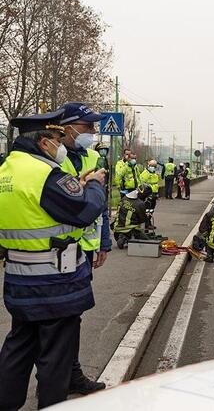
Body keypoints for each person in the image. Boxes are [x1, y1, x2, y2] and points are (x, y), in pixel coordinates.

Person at [0, 110, 106, 409]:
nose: (61, 144)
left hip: (19, 279)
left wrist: (77, 187)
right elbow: (85, 210)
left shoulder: (6, 171)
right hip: (56, 282)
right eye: (59, 138)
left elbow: (36, 210)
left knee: (18, 347)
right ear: (45, 142)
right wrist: (95, 184)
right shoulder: (46, 173)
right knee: (55, 357)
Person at [58, 102, 111, 395]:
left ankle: (68, 374)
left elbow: (99, 202)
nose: (92, 132)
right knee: (58, 317)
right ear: (67, 128)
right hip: (57, 249)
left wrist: (103, 242)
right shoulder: (53, 157)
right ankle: (56, 378)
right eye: (87, 126)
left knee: (73, 314)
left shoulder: (92, 156)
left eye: (94, 126)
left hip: (84, 250)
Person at [112, 184, 152, 249]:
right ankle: (127, 237)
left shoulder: (124, 198)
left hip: (116, 230)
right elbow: (142, 220)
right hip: (130, 231)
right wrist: (146, 217)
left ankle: (122, 237)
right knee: (147, 241)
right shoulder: (139, 204)